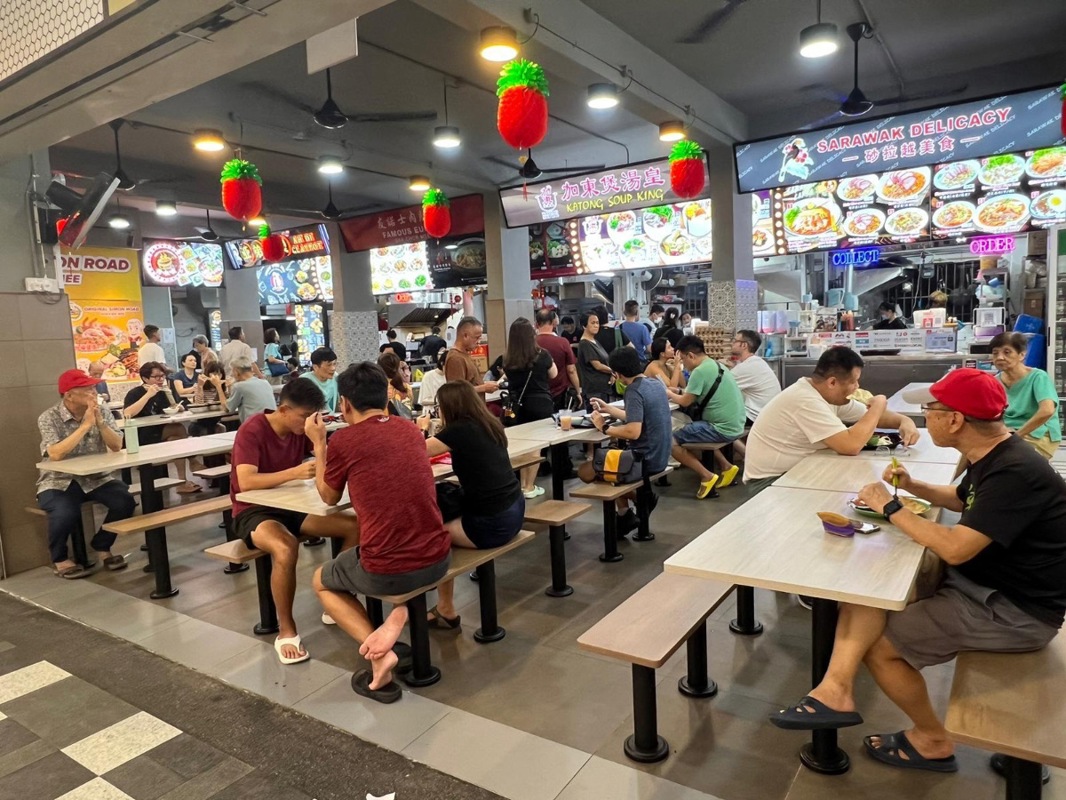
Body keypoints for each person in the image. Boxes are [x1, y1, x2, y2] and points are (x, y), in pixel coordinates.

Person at [770, 369, 1066, 776]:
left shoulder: (1014, 470)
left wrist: (890, 507)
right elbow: (963, 501)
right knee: (869, 582)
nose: (927, 416)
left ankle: (931, 739)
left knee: (880, 647)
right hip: (987, 585)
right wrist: (914, 485)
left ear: (956, 420)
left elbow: (957, 549)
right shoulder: (997, 453)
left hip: (1012, 609)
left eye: (932, 409)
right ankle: (834, 691)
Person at [312, 363, 451, 701]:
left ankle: (377, 648)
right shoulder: (408, 430)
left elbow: (329, 496)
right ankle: (395, 621)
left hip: (390, 570)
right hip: (439, 559)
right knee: (387, 549)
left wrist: (319, 445)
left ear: (344, 404)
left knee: (320, 580)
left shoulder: (344, 439)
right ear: (386, 396)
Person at [230, 378, 360, 665]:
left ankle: (336, 593)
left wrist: (319, 440)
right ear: (285, 409)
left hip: (292, 505)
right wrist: (293, 473)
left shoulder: (301, 429)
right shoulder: (252, 429)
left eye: (314, 416)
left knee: (354, 525)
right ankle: (286, 629)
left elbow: (325, 467)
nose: (308, 422)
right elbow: (245, 482)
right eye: (304, 416)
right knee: (286, 547)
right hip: (253, 510)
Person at [743, 347, 920, 489]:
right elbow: (850, 446)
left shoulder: (828, 396)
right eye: (853, 381)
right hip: (769, 482)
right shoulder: (805, 400)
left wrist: (904, 421)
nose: (857, 386)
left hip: (800, 471)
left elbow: (871, 416)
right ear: (832, 382)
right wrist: (879, 403)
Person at [423, 380, 524, 630]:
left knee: (434, 530)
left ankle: (443, 606)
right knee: (446, 507)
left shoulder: (458, 430)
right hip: (515, 509)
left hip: (493, 524)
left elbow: (417, 451)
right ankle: (444, 605)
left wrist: (422, 428)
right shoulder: (489, 423)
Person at [37, 370, 133, 579]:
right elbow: (55, 454)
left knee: (125, 501)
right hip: (58, 480)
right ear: (69, 395)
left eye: (93, 387)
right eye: (87, 389)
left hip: (96, 477)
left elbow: (116, 445)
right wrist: (85, 425)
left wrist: (99, 422)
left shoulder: (102, 411)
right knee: (64, 512)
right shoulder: (49, 417)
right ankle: (60, 559)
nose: (93, 392)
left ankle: (102, 545)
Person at [581, 347, 672, 537]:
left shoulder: (633, 390)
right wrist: (608, 409)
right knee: (609, 461)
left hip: (644, 459)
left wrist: (604, 427)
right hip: (662, 455)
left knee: (588, 471)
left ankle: (633, 505)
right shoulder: (654, 384)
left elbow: (633, 431)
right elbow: (637, 417)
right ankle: (630, 509)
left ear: (617, 373)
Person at [665, 336, 747, 498]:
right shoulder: (716, 365)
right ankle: (726, 466)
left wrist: (667, 392)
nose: (683, 366)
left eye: (682, 360)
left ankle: (706, 475)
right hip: (736, 424)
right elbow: (693, 393)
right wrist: (679, 392)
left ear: (691, 356)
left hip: (721, 428)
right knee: (695, 429)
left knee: (670, 441)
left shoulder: (699, 371)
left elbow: (686, 402)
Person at [123, 361, 200, 494]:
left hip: (159, 431)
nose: (160, 380)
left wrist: (177, 408)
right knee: (178, 428)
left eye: (162, 376)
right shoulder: (135, 393)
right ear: (145, 378)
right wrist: (148, 395)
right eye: (156, 377)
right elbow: (127, 413)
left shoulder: (162, 392)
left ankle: (182, 482)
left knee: (177, 440)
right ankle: (193, 460)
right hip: (140, 435)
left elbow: (168, 408)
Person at [503, 317, 557, 498]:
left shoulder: (507, 360)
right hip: (540, 403)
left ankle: (522, 485)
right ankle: (529, 486)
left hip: (517, 406)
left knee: (523, 445)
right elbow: (554, 373)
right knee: (536, 447)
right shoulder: (542, 355)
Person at [992, 331, 1061, 458]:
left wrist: (1016, 437)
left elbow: (1047, 411)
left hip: (1039, 432)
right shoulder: (995, 381)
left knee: (1005, 460)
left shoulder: (1038, 377)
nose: (1000, 357)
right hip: (1008, 432)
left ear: (1022, 355)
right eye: (995, 353)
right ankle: (953, 477)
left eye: (1007, 352)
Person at [730, 330, 781, 425]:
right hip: (765, 415)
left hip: (754, 417)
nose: (732, 343)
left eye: (735, 340)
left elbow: (722, 386)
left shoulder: (747, 367)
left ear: (744, 345)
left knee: (715, 414)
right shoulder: (755, 362)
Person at [535, 307, 582, 412]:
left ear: (536, 324)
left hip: (536, 393)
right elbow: (571, 370)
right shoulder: (562, 342)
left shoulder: (531, 343)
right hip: (559, 392)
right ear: (553, 323)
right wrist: (578, 392)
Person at [444, 316, 498, 395]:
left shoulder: (464, 355)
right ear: (465, 335)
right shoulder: (455, 358)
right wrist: (483, 388)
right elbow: (456, 391)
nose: (479, 342)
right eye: (477, 337)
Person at [577, 311, 613, 410]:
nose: (596, 325)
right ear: (584, 326)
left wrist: (611, 374)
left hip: (603, 388)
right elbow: (597, 365)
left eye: (597, 323)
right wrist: (613, 371)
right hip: (594, 390)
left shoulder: (595, 341)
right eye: (592, 323)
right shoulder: (585, 343)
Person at [227, 357, 277, 423]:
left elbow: (228, 408)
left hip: (254, 427)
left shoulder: (239, 386)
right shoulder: (265, 383)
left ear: (236, 372)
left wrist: (218, 386)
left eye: (232, 371)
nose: (232, 374)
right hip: (272, 424)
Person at [300, 347, 339, 413]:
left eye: (334, 364)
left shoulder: (335, 376)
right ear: (315, 367)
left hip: (331, 419)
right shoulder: (304, 380)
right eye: (329, 365)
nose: (333, 368)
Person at [377, 350, 414, 415]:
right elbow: (408, 410)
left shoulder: (376, 388)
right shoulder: (406, 387)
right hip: (404, 422)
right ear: (398, 367)